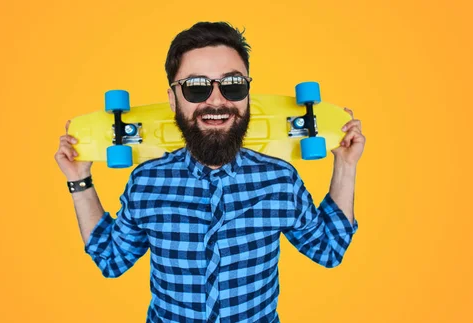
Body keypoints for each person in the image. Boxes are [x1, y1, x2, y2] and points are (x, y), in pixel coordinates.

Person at [55, 21, 365, 323]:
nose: (217, 100)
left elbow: (329, 249)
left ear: (247, 95)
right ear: (173, 99)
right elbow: (111, 259)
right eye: (196, 87)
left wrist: (346, 165)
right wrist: (78, 180)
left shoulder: (280, 180)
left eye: (233, 85)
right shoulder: (146, 182)